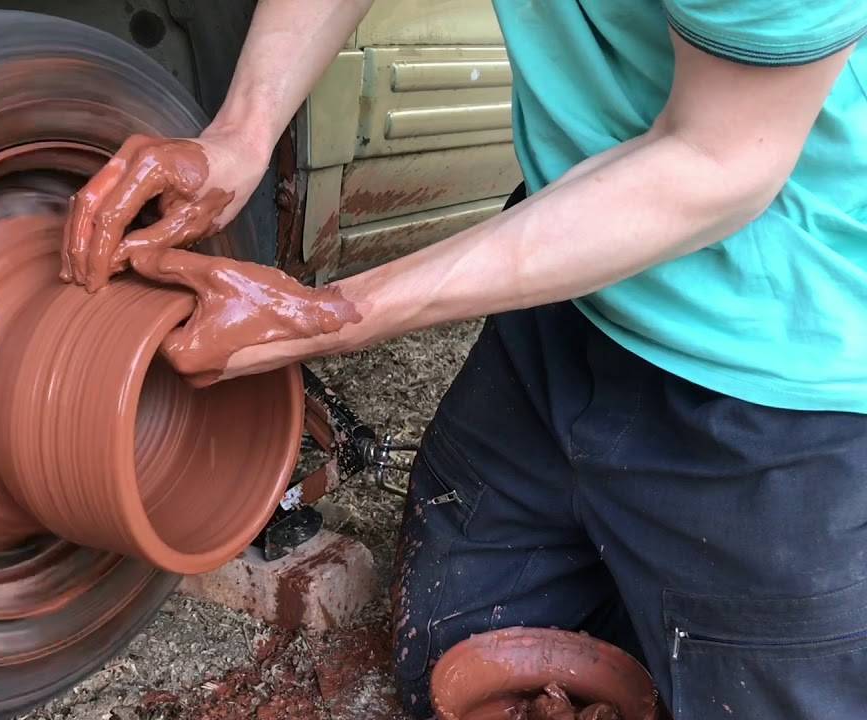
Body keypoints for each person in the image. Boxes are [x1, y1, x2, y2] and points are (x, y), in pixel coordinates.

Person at [61, 1, 867, 717]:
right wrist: (241, 130)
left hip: (781, 354)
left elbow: (717, 161)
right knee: (452, 660)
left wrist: (342, 314)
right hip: (567, 295)